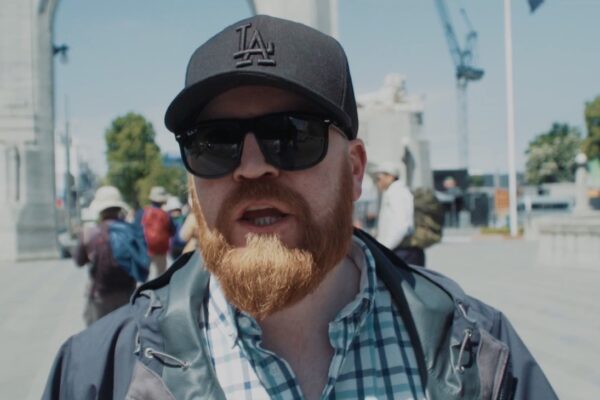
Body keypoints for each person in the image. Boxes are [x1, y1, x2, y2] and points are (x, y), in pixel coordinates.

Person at [43, 15, 556, 400]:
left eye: (291, 136)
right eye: (214, 144)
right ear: (192, 182)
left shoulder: (479, 353)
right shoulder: (98, 373)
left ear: (354, 170)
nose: (251, 167)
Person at [73, 186, 137, 326]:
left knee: (98, 334)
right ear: (119, 208)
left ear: (100, 210)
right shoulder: (131, 231)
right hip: (127, 292)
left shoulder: (89, 233)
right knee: (126, 333)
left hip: (100, 295)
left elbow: (79, 261)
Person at [374, 161, 426, 266]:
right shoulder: (394, 192)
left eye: (379, 179)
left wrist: (384, 248)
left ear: (390, 177)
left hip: (403, 251)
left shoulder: (397, 193)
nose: (377, 182)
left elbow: (401, 226)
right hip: (400, 249)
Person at [141, 186, 174, 277]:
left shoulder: (143, 212)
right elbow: (172, 231)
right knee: (160, 274)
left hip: (146, 249)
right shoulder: (166, 215)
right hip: (161, 250)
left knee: (148, 275)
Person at [164, 195, 187, 260]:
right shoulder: (184, 218)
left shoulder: (168, 219)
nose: (176, 212)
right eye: (174, 210)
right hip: (177, 247)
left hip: (175, 247)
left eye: (177, 210)